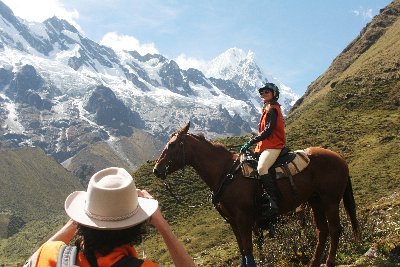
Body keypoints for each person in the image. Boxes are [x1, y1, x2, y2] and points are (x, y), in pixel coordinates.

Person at [24, 167, 196, 267]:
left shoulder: (50, 254)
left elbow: (33, 260)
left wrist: (81, 218)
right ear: (137, 228)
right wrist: (161, 224)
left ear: (82, 221)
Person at [240, 82, 286, 217]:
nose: (263, 94)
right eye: (262, 92)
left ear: (274, 94)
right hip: (266, 144)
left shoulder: (273, 108)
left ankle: (274, 202)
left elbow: (268, 130)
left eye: (267, 92)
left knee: (261, 168)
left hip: (274, 145)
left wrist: (251, 141)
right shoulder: (266, 108)